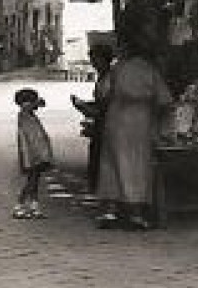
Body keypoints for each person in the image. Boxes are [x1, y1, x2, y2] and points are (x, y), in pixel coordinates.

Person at [93, 26, 173, 231]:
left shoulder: (116, 69)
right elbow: (165, 100)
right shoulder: (150, 70)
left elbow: (102, 94)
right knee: (138, 166)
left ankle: (110, 211)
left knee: (112, 164)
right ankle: (136, 214)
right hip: (141, 123)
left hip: (116, 120)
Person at [72, 43, 115, 194]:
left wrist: (86, 108)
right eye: (92, 60)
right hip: (101, 123)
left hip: (107, 124)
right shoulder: (103, 77)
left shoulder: (110, 78)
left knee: (101, 158)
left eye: (96, 60)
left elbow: (106, 105)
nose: (93, 64)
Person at [12, 87, 53, 220]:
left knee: (35, 182)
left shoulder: (29, 115)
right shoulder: (24, 116)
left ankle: (34, 206)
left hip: (37, 154)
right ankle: (19, 205)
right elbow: (28, 140)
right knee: (30, 182)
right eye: (31, 102)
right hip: (32, 155)